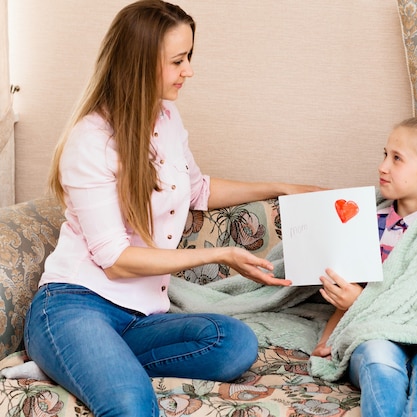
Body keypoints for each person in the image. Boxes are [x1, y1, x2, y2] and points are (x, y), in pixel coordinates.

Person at [23, 1, 320, 416]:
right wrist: (219, 254)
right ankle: (77, 354)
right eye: (178, 60)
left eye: (189, 57)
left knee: (234, 344)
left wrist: (281, 186)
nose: (189, 71)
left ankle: (79, 363)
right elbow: (115, 261)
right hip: (76, 304)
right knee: (129, 403)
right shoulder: (91, 141)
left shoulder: (166, 117)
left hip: (142, 317)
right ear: (139, 64)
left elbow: (196, 190)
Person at [311, 114, 417, 417]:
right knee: (379, 362)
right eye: (384, 155)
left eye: (397, 159)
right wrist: (329, 339)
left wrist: (362, 301)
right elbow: (352, 292)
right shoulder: (364, 223)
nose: (383, 166)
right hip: (377, 336)